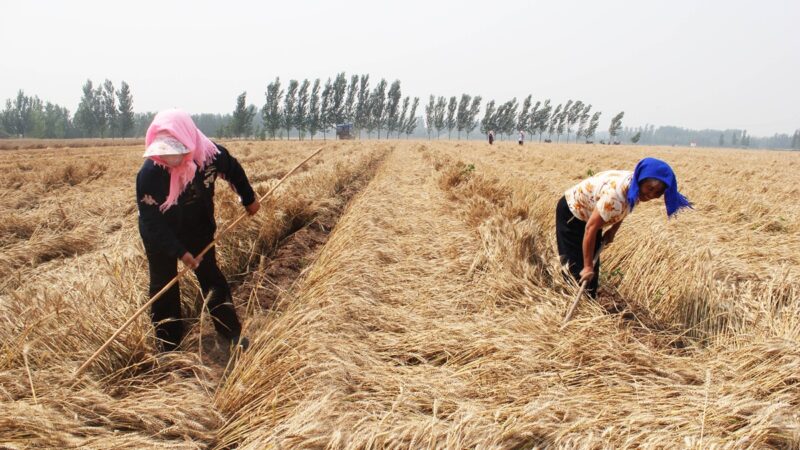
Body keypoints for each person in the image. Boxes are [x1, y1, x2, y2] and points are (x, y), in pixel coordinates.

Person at [136, 109, 259, 352]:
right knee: (164, 285)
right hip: (160, 234)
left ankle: (231, 334)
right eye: (165, 153)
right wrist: (180, 252)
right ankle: (168, 344)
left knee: (210, 276)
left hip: (198, 225)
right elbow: (152, 222)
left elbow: (233, 170)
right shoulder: (150, 173)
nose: (170, 160)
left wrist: (248, 198)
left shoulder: (211, 156)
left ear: (188, 141)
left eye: (177, 151)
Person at [555, 157, 691, 298]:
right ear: (641, 180)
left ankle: (589, 301)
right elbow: (590, 228)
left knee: (591, 271)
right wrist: (588, 266)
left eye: (658, 193)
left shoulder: (634, 188)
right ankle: (568, 302)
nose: (651, 195)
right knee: (576, 268)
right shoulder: (616, 195)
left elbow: (627, 206)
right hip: (573, 213)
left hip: (593, 215)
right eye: (650, 188)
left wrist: (613, 230)